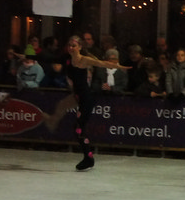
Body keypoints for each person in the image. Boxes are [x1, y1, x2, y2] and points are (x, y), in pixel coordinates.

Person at [44, 36, 129, 172]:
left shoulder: (84, 60)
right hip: (78, 97)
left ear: (80, 47)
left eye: (74, 45)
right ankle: (88, 157)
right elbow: (48, 59)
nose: (71, 48)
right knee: (76, 126)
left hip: (86, 99)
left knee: (79, 129)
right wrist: (27, 56)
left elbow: (102, 63)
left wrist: (119, 66)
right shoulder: (67, 58)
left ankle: (88, 157)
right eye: (69, 45)